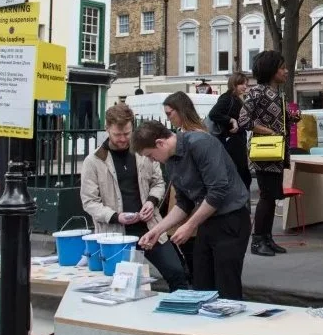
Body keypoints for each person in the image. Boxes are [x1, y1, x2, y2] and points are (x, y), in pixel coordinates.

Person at [135, 119, 252, 300]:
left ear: (160, 143)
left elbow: (217, 192)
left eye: (151, 155)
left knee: (226, 286)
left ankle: (231, 326)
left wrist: (190, 226)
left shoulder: (201, 143)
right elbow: (184, 202)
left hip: (231, 218)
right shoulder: (171, 160)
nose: (152, 160)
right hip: (207, 221)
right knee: (202, 285)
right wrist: (157, 230)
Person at [79, 103, 188, 290]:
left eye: (127, 134)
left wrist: (151, 202)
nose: (122, 139)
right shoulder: (93, 160)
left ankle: (178, 312)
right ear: (107, 129)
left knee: (178, 273)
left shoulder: (143, 152)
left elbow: (158, 182)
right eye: (117, 135)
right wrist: (115, 216)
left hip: (150, 227)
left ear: (133, 127)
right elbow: (89, 201)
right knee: (121, 287)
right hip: (114, 234)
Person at [239, 50, 289, 258]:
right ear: (270, 70)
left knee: (272, 197)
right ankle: (258, 240)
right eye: (281, 67)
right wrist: (269, 131)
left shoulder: (277, 94)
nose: (286, 71)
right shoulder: (256, 92)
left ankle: (267, 238)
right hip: (265, 151)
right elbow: (244, 121)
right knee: (266, 197)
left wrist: (291, 119)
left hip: (277, 150)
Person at [207, 72, 252, 191]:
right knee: (241, 173)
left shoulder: (237, 99)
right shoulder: (227, 97)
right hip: (231, 141)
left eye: (246, 84)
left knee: (243, 174)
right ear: (234, 84)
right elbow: (214, 114)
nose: (245, 86)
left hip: (237, 140)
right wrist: (231, 120)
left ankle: (242, 202)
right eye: (242, 83)